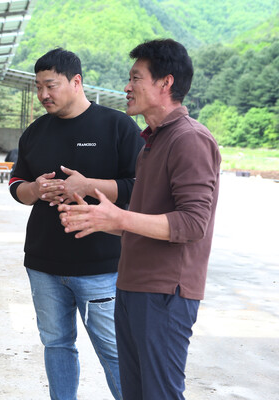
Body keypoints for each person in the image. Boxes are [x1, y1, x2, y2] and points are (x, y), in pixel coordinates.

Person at [59, 39, 221, 400]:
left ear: (166, 83)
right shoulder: (152, 142)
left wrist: (120, 218)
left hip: (166, 291)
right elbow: (146, 215)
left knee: (159, 393)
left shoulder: (189, 139)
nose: (127, 87)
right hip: (133, 285)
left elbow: (193, 223)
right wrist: (108, 220)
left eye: (136, 78)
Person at [8, 48, 143, 400]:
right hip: (43, 262)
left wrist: (89, 186)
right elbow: (15, 186)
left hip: (101, 264)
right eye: (38, 87)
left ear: (76, 81)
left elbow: (140, 187)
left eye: (50, 86)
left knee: (113, 350)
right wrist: (35, 190)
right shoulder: (35, 132)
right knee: (56, 345)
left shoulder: (118, 126)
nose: (42, 95)